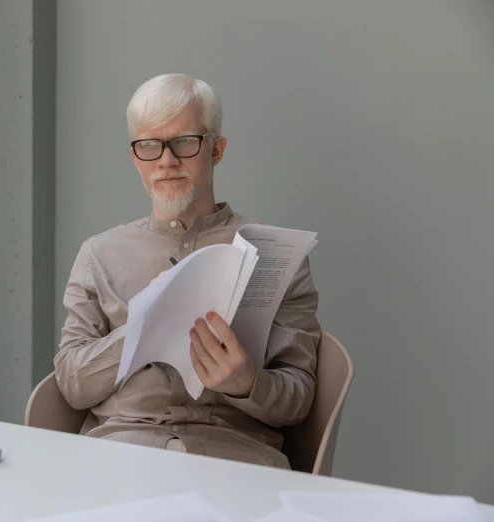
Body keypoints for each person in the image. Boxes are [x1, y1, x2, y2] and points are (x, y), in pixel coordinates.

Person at [54, 73, 320, 469]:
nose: (166, 160)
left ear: (216, 149)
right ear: (135, 157)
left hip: (235, 460)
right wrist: (143, 324)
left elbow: (299, 399)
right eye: (149, 145)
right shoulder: (99, 254)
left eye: (184, 141)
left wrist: (247, 383)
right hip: (120, 456)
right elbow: (72, 385)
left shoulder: (276, 255)